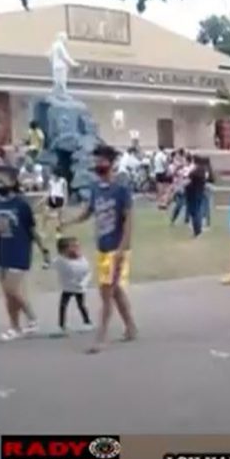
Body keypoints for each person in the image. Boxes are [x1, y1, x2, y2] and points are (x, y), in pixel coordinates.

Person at [60, 145, 138, 354]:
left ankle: (101, 337)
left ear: (111, 164)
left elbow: (129, 220)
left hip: (117, 248)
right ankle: (131, 327)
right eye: (96, 162)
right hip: (102, 248)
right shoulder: (95, 189)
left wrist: (122, 248)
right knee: (115, 290)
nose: (97, 165)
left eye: (102, 161)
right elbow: (87, 212)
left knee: (106, 291)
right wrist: (69, 222)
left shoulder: (121, 190)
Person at [0, 166, 51, 341]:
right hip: (1, 251)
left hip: (19, 249)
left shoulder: (21, 205)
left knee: (12, 288)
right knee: (8, 293)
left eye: (2, 180)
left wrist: (43, 250)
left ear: (13, 182)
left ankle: (32, 318)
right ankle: (14, 327)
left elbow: (32, 229)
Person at [53, 236, 93, 334]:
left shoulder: (82, 260)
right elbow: (53, 263)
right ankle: (61, 326)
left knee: (81, 305)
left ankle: (87, 322)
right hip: (67, 287)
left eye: (76, 246)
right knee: (63, 305)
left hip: (78, 288)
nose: (75, 249)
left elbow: (88, 273)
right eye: (72, 246)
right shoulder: (61, 260)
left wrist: (83, 284)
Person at [184, 156, 209, 237]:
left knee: (194, 212)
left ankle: (196, 230)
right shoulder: (203, 172)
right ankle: (198, 229)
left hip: (192, 194)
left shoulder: (194, 172)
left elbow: (188, 181)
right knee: (197, 211)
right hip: (199, 193)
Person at [45, 170, 68, 235]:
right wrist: (47, 198)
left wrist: (65, 202)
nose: (52, 176)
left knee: (59, 218)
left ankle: (59, 232)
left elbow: (65, 192)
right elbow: (49, 191)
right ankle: (44, 231)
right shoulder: (50, 181)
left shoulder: (63, 181)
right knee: (46, 215)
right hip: (52, 198)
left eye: (53, 175)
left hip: (59, 198)